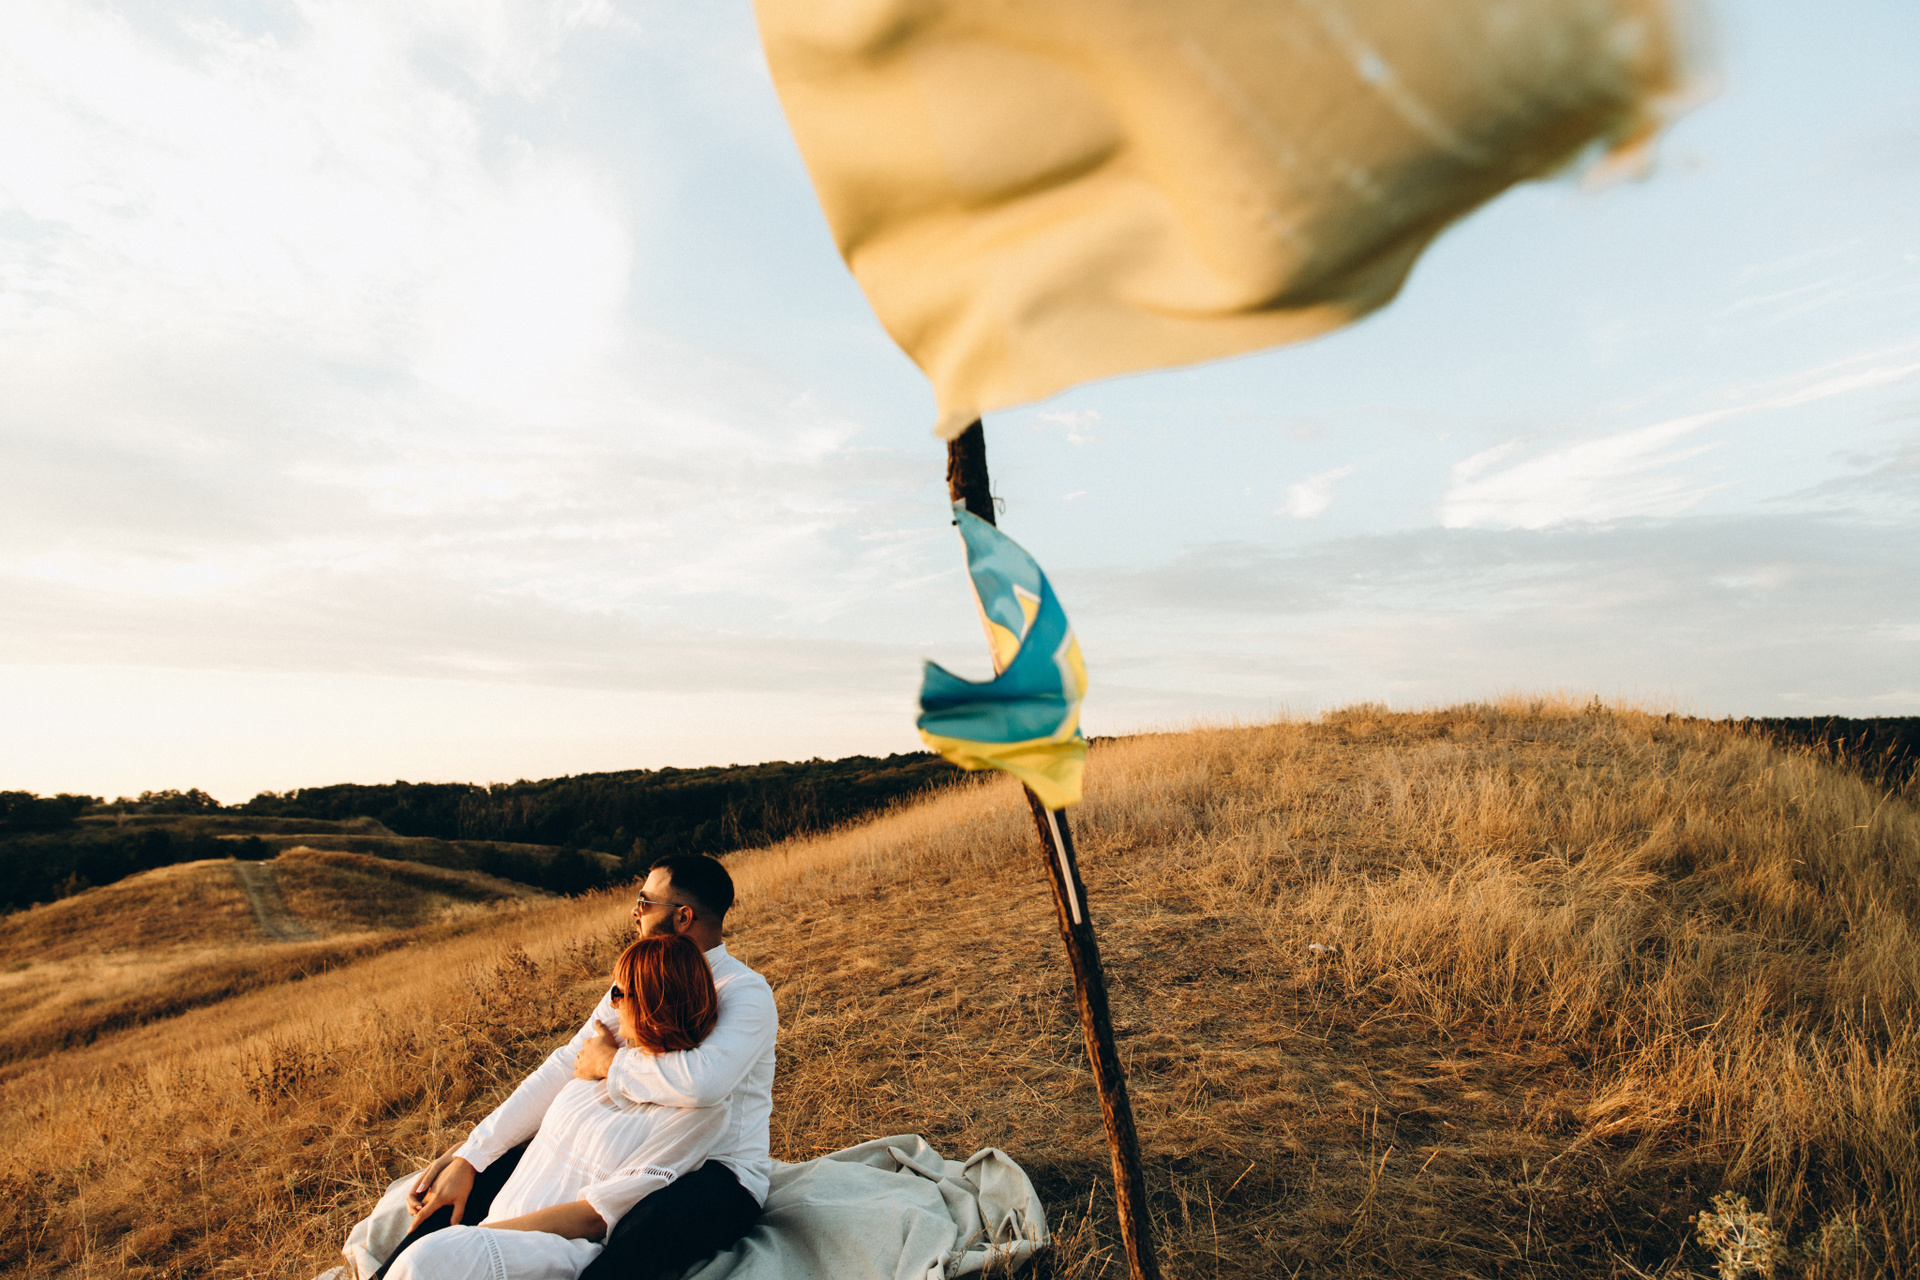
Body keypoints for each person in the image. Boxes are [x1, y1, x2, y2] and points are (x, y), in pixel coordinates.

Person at [393, 855, 778, 1280]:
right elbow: (568, 1062)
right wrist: (472, 1154)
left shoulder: (744, 991)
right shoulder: (637, 977)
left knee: (643, 1225)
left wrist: (610, 1062)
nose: (635, 911)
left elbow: (703, 1084)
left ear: (683, 916)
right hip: (628, 1143)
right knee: (485, 1173)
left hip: (716, 1168)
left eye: (645, 901)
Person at [364, 931, 726, 1280]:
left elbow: (597, 1217)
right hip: (495, 1231)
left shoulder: (695, 1113)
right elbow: (547, 1131)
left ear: (653, 1001)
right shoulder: (603, 1063)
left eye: (619, 993)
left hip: (552, 1249)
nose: (611, 1004)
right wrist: (465, 1156)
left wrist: (481, 1236)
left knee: (427, 1259)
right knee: (428, 1256)